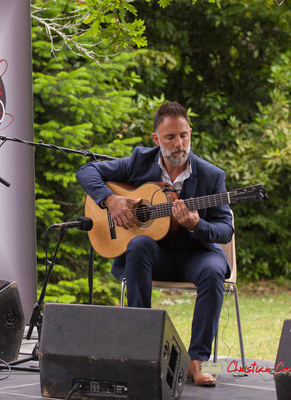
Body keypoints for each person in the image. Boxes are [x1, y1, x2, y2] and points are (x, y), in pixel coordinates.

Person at [76, 101, 233, 387]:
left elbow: (225, 230)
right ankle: (142, 351)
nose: (179, 144)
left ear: (190, 133)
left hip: (195, 254)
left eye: (184, 135)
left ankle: (196, 362)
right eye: (170, 137)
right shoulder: (139, 161)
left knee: (212, 272)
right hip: (154, 255)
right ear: (156, 138)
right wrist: (111, 200)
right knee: (138, 244)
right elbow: (86, 172)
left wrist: (196, 224)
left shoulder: (212, 176)